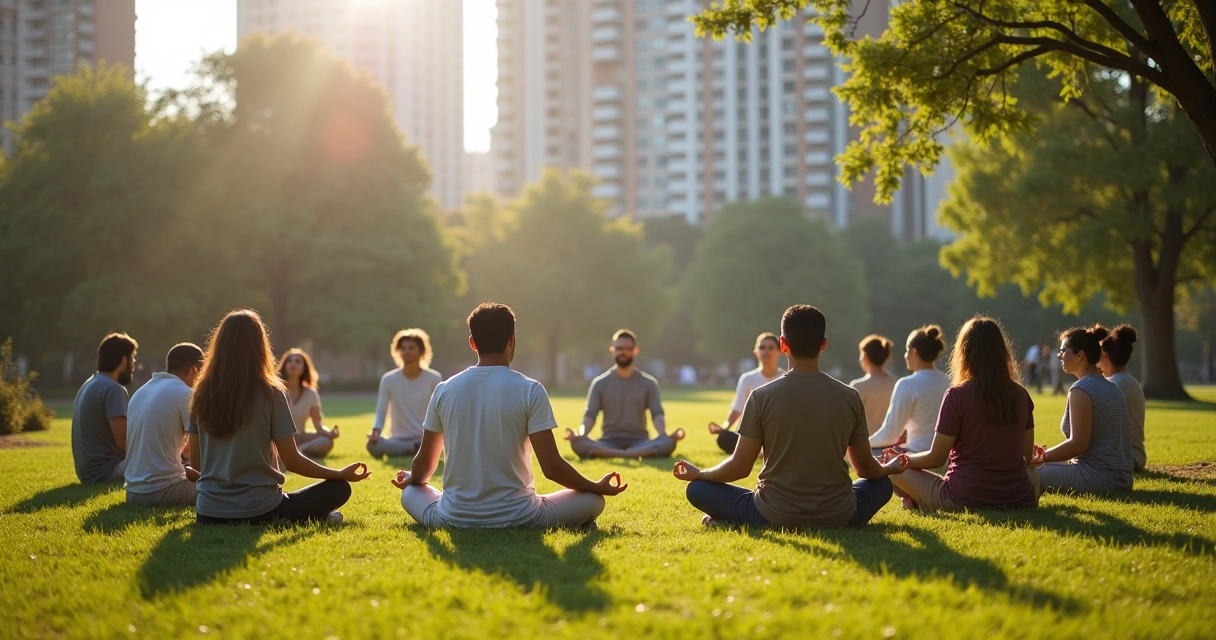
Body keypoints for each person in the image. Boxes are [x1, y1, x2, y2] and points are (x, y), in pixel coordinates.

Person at [394, 303, 628, 528]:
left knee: (411, 490)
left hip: (453, 516)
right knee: (593, 500)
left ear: (473, 343)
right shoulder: (530, 389)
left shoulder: (444, 389)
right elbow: (552, 467)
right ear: (512, 340)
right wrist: (596, 487)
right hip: (522, 517)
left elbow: (424, 465)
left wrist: (412, 477)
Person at [672, 305, 908, 528]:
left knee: (698, 489)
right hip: (839, 513)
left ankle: (731, 517)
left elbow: (740, 467)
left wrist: (700, 474)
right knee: (882, 484)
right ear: (823, 344)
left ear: (782, 344)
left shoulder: (760, 397)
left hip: (772, 513)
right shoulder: (850, 396)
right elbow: (866, 469)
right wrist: (889, 467)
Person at [188, 310, 371, 524]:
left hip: (209, 513)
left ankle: (313, 517)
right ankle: (317, 517)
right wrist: (339, 473)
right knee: (339, 488)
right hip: (261, 509)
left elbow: (197, 462)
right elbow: (292, 461)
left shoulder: (201, 393)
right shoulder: (271, 392)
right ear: (259, 346)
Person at [878, 317, 1039, 511]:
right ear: (1002, 352)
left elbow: (936, 459)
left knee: (889, 467)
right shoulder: (1021, 394)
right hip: (1019, 497)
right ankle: (916, 501)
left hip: (963, 497)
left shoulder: (957, 395)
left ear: (964, 353)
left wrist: (902, 459)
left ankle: (916, 501)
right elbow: (1027, 455)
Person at [1030, 325, 1134, 494]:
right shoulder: (1112, 386)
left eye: (1064, 350)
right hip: (1121, 479)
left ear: (1080, 355)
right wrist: (1042, 456)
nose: (1059, 355)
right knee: (1036, 464)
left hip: (1097, 478)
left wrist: (1041, 456)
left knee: (1021, 471)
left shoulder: (1081, 389)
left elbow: (1078, 445)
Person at [566, 330, 685, 459]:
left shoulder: (649, 383)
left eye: (628, 348)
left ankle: (616, 454)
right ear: (612, 350)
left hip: (640, 442)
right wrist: (580, 434)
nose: (623, 352)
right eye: (619, 348)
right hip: (608, 442)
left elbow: (657, 413)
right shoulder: (599, 383)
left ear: (635, 351)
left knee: (668, 442)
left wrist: (663, 434)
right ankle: (629, 454)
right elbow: (590, 414)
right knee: (578, 443)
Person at [124, 343, 204, 506]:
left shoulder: (141, 391)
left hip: (133, 493)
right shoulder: (185, 393)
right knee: (220, 489)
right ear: (195, 369)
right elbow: (203, 459)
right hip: (162, 492)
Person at [868, 326, 950, 454]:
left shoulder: (907, 385)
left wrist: (860, 444)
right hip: (946, 457)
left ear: (914, 352)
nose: (905, 356)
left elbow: (890, 435)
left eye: (907, 350)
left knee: (868, 453)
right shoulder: (950, 382)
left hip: (916, 456)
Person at [71, 333, 138, 484]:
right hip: (107, 471)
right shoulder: (113, 389)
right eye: (132, 358)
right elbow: (124, 442)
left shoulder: (89, 383)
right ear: (123, 360)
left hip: (88, 472)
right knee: (165, 463)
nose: (134, 364)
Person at [367, 329, 442, 458]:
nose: (406, 351)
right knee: (372, 445)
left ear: (421, 351)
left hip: (424, 438)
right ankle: (411, 449)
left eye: (411, 348)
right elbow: (381, 411)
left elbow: (441, 412)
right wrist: (376, 430)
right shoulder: (388, 379)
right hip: (397, 439)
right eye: (403, 348)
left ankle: (416, 449)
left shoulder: (434, 378)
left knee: (434, 444)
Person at [709, 333, 784, 454]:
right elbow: (737, 410)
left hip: (774, 433)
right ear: (756, 352)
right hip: (749, 434)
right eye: (762, 347)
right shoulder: (747, 379)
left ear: (780, 352)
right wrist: (725, 427)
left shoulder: (785, 378)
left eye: (771, 348)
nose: (766, 351)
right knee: (724, 438)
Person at [1097, 324, 1146, 471]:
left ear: (1105, 356)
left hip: (1125, 457)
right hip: (1134, 456)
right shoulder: (1129, 381)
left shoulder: (1113, 385)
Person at [278, 348, 339, 458]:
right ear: (284, 366)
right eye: (289, 360)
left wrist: (329, 433)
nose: (293, 363)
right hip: (278, 440)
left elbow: (318, 425)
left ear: (304, 368)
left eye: (298, 361)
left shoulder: (311, 394)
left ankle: (298, 453)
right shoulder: (275, 390)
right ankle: (291, 454)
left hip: (300, 439)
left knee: (326, 441)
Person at [849, 335, 897, 436]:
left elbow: (848, 422)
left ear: (865, 357)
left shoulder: (858, 386)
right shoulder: (896, 383)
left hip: (866, 445)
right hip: (891, 446)